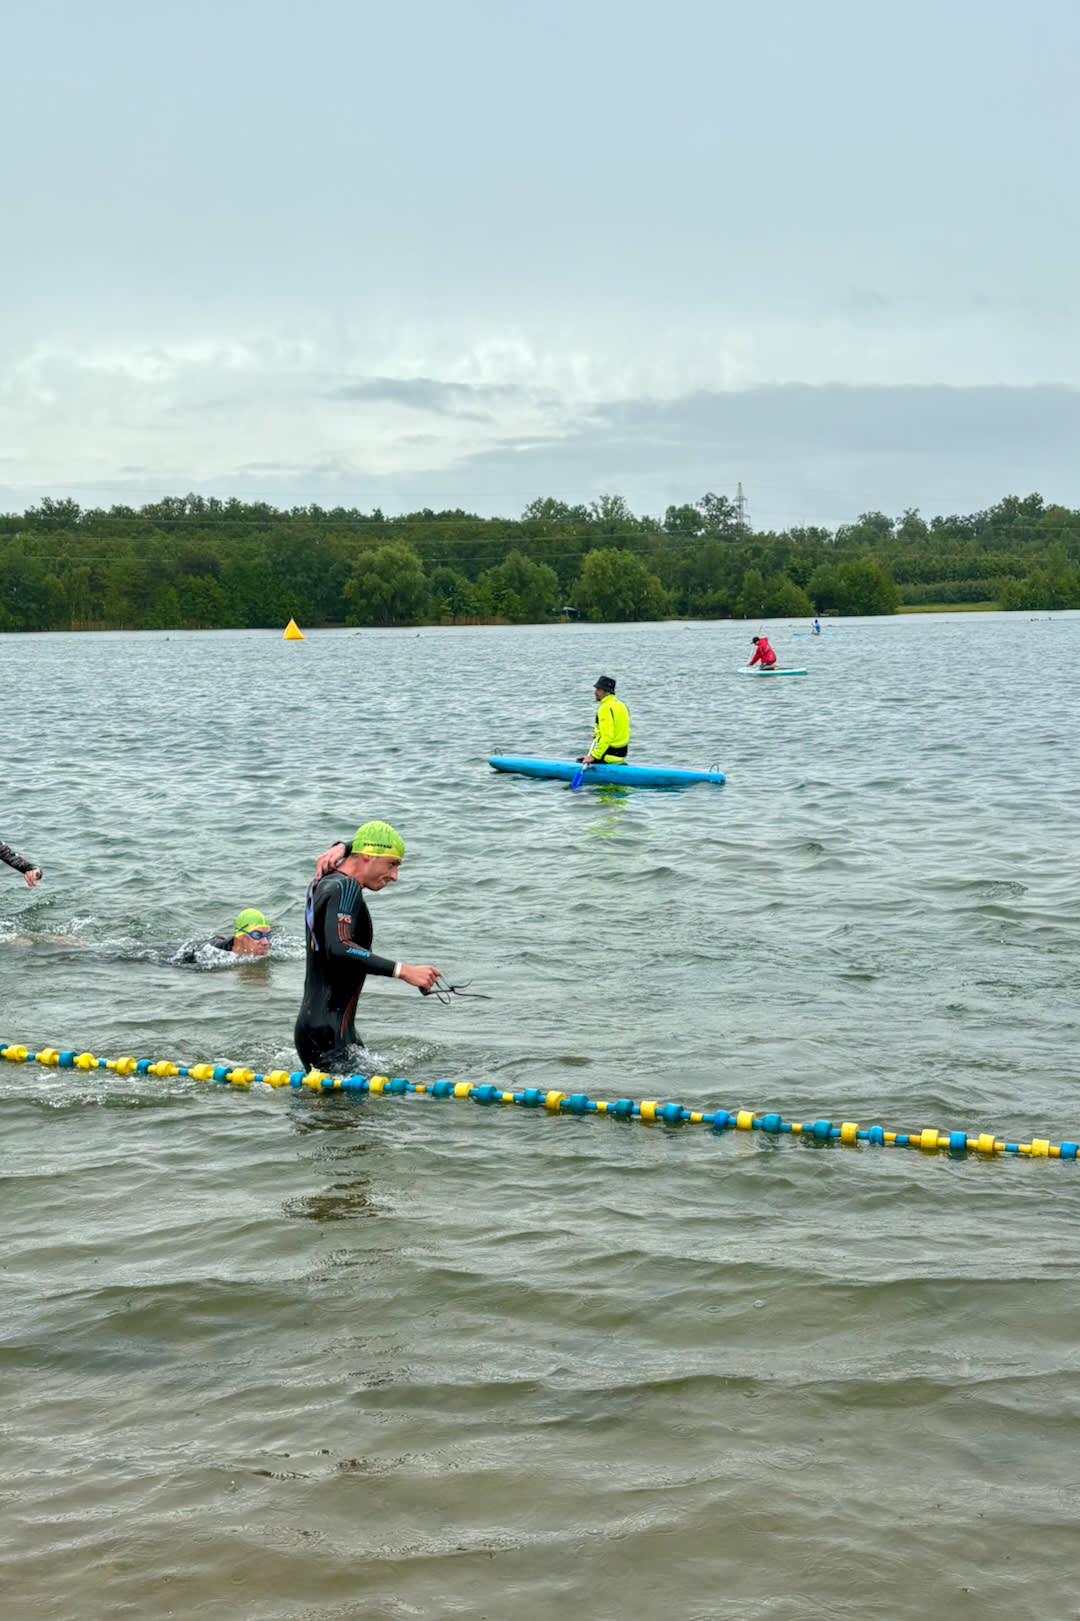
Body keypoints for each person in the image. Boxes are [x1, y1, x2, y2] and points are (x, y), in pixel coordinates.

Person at [294, 821, 440, 1072]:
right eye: (392, 864)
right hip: (329, 1035)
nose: (394, 876)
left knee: (337, 1110)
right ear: (366, 857)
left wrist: (342, 846)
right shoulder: (346, 887)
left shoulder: (326, 878)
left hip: (321, 1029)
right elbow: (339, 947)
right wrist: (403, 971)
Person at [173, 908, 273, 964]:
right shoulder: (211, 953)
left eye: (267, 935)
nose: (265, 942)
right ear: (240, 937)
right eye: (257, 935)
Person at [580, 675, 631, 768]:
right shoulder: (622, 705)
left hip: (609, 754)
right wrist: (599, 735)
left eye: (599, 689)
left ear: (607, 692)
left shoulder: (605, 708)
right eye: (596, 689)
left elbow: (607, 736)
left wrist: (593, 756)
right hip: (621, 753)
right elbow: (620, 730)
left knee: (579, 761)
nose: (595, 692)